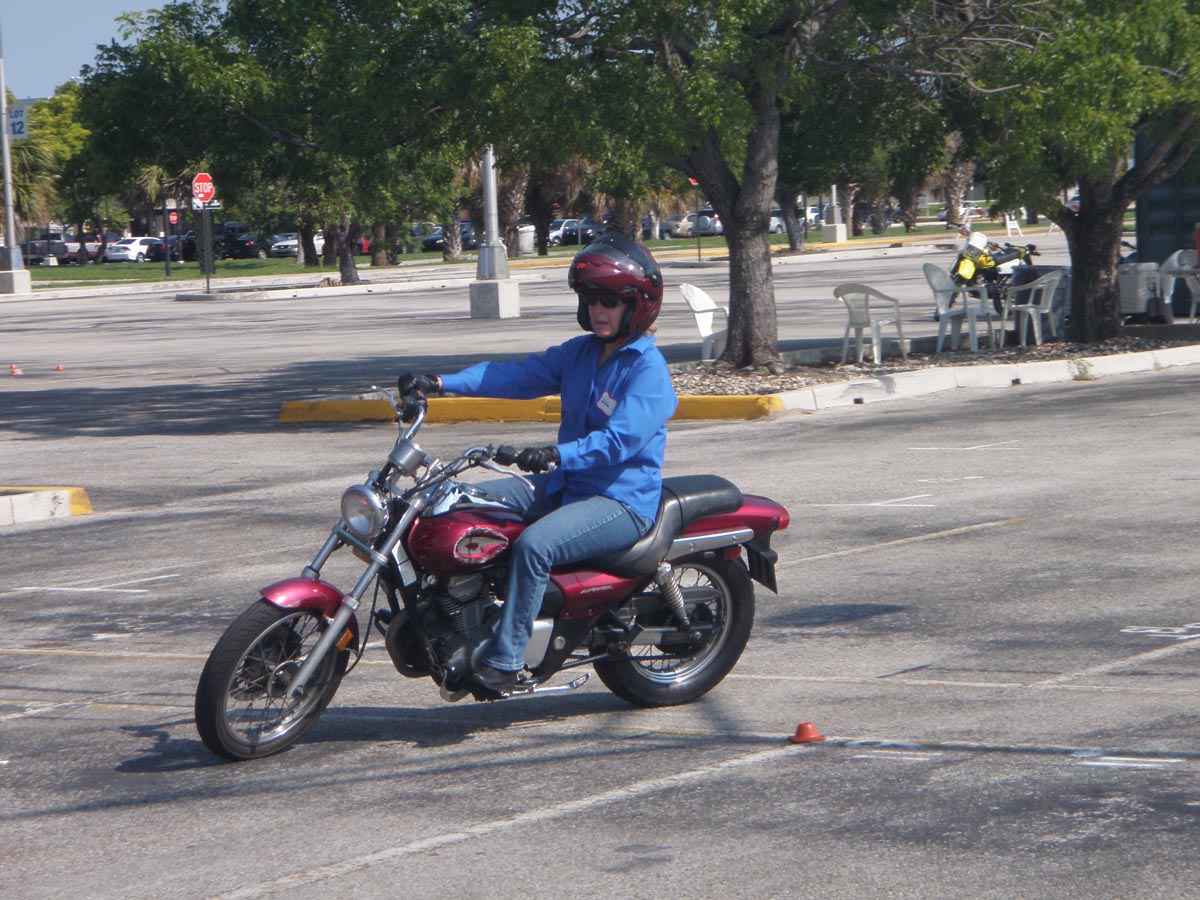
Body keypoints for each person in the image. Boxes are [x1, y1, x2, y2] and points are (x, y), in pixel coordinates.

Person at [397, 233, 678, 694]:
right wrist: (440, 383)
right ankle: (458, 615)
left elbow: (618, 441)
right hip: (566, 485)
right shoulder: (581, 353)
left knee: (535, 545)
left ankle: (507, 660)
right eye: (591, 300)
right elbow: (513, 375)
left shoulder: (647, 370)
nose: (598, 310)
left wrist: (554, 454)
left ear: (636, 306)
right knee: (458, 502)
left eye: (609, 301)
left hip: (620, 501)